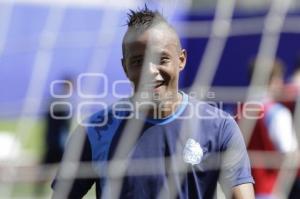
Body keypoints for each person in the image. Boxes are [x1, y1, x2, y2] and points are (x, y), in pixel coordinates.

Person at [52, 7, 254, 199]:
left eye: (161, 59)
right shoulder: (94, 132)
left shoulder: (219, 127)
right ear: (125, 67)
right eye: (138, 61)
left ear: (181, 60)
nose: (150, 70)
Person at [238, 58, 298, 199]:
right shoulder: (277, 112)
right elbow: (290, 155)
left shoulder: (238, 109)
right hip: (270, 191)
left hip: (241, 191)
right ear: (276, 81)